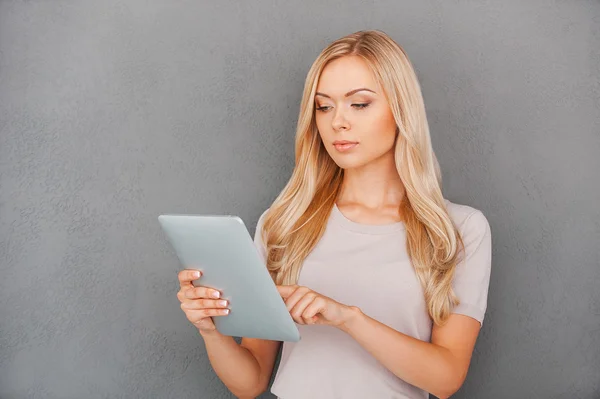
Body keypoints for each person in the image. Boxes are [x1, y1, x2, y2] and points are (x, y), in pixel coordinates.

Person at [176, 29, 492, 399]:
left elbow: (446, 379)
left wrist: (348, 319)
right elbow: (250, 382)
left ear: (400, 109)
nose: (337, 122)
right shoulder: (284, 224)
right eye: (324, 106)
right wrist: (209, 329)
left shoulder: (458, 229)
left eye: (359, 104)